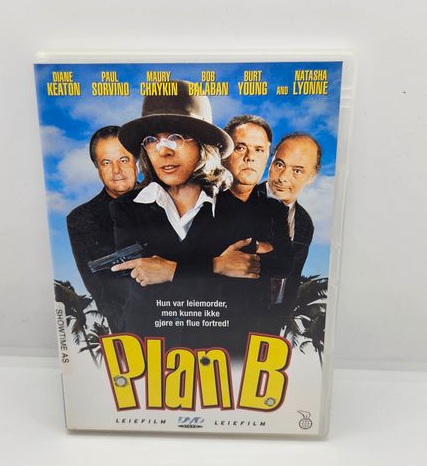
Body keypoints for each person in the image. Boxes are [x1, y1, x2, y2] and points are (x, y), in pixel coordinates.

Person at [110, 81, 266, 351]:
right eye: (152, 141)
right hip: (148, 353)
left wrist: (169, 270)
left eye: (177, 137)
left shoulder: (237, 209)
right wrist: (217, 266)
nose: (164, 150)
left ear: (204, 144)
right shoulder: (126, 208)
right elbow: (140, 286)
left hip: (219, 356)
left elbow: (239, 295)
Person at [217, 115, 293, 342]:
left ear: (268, 157)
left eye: (259, 150)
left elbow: (285, 263)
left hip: (259, 325)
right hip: (211, 323)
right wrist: (266, 248)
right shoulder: (203, 204)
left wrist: (251, 246)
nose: (250, 157)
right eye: (240, 148)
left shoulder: (276, 210)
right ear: (224, 155)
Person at [66, 126, 138, 333]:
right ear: (97, 167)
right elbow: (97, 287)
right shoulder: (80, 219)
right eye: (106, 163)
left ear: (137, 161)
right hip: (128, 328)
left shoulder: (168, 198)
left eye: (123, 160)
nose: (116, 171)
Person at [264, 132, 322, 329]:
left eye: (297, 171)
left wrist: (281, 319)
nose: (282, 178)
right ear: (271, 162)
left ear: (312, 177)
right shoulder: (241, 201)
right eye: (279, 164)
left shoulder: (305, 223)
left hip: (273, 322)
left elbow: (293, 277)